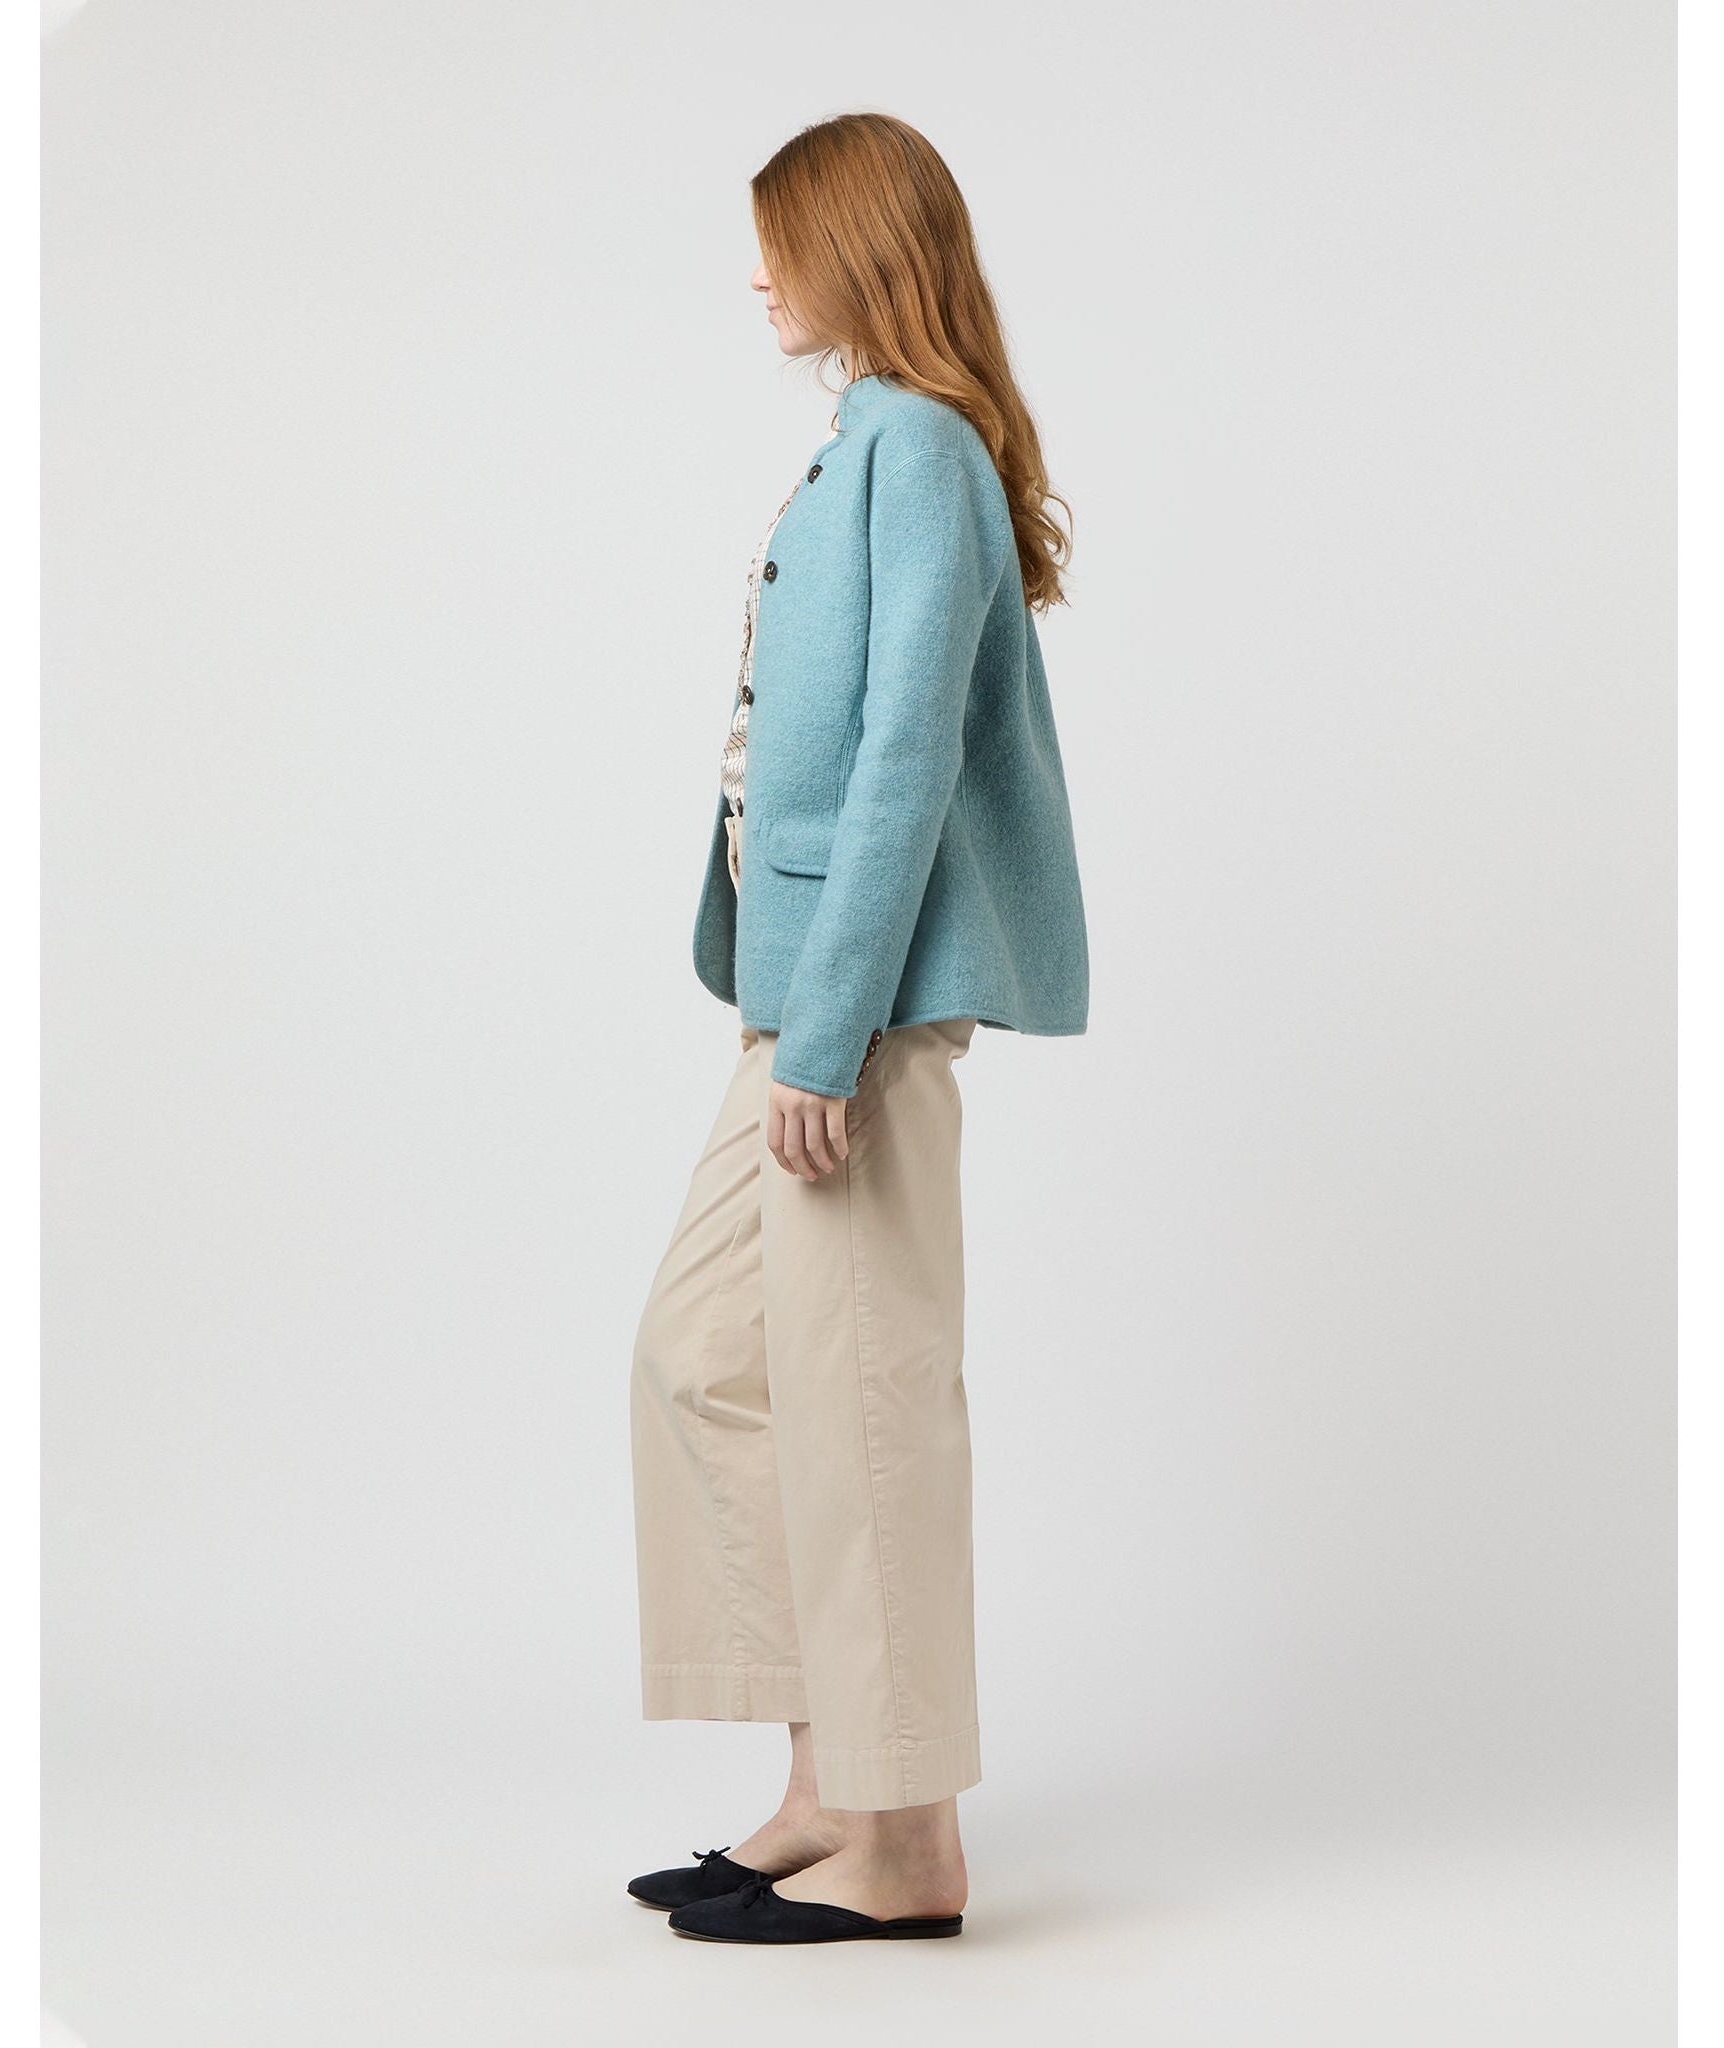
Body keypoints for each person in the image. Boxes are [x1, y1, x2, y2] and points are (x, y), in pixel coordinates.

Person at [625, 111, 1090, 1946]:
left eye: (781, 240)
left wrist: (825, 1038)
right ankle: (833, 1786)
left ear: (857, 246)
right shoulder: (870, 439)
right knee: (707, 1357)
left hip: (860, 1008)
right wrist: (790, 1014)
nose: (757, 275)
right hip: (803, 995)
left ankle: (906, 1849)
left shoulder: (923, 448)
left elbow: (906, 752)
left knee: (865, 1397)